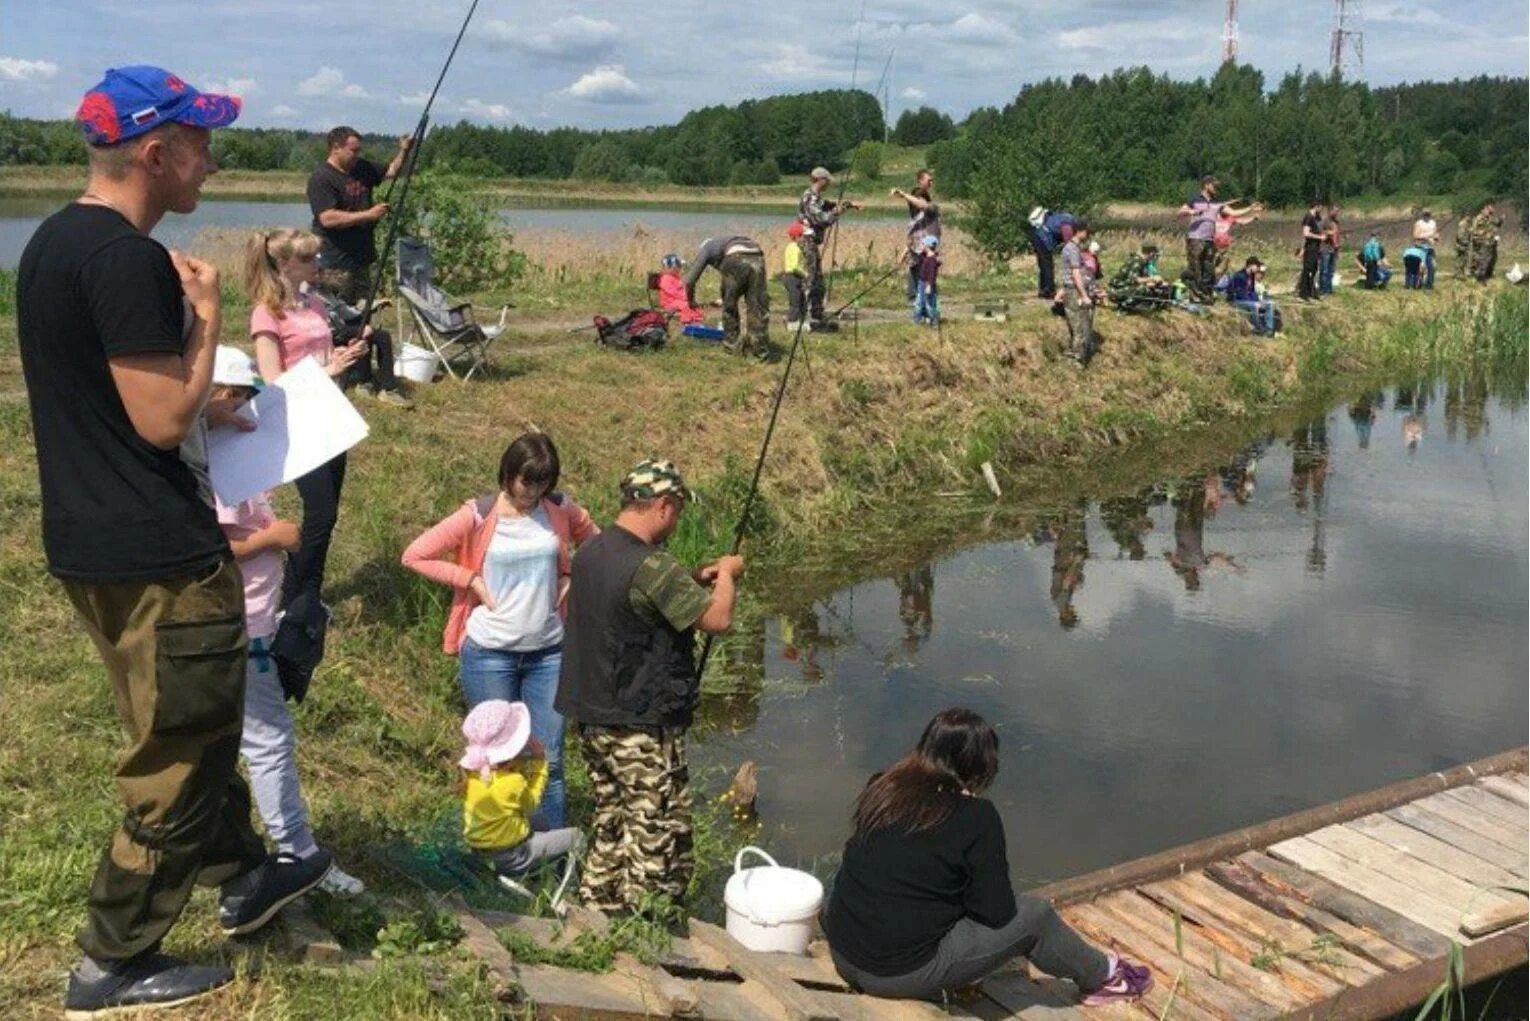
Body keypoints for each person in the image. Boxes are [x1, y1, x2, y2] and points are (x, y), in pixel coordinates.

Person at [16, 66, 322, 1016]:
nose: (212, 160)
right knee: (180, 754)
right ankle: (115, 959)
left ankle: (241, 867)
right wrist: (209, 324)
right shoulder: (127, 259)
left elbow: (115, 404)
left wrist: (208, 405)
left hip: (93, 542)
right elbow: (156, 420)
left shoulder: (52, 245)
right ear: (157, 153)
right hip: (159, 554)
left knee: (189, 723)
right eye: (201, 142)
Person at [823, 709, 1151, 1005]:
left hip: (842, 949)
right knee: (1034, 915)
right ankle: (1104, 977)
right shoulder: (976, 816)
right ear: (979, 766)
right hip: (896, 975)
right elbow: (996, 911)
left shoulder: (883, 786)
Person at [554, 459, 744, 912]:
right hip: (638, 723)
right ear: (662, 505)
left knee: (612, 821)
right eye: (677, 510)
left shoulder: (592, 553)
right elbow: (717, 619)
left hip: (593, 716)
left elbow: (637, 599)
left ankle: (597, 909)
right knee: (656, 831)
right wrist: (728, 577)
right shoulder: (651, 566)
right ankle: (647, 927)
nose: (676, 521)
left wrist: (695, 579)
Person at [208, 346, 363, 898]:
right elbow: (213, 544)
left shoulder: (229, 458)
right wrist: (275, 537)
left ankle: (223, 855)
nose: (249, 411)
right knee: (269, 741)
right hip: (241, 628)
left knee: (237, 743)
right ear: (218, 398)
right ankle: (298, 854)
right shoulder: (215, 464)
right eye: (241, 398)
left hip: (251, 622)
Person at [401, 432, 598, 829]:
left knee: (549, 758)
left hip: (548, 653)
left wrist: (571, 573)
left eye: (544, 483)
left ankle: (549, 856)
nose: (534, 492)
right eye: (527, 481)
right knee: (493, 757)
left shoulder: (559, 510)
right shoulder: (477, 515)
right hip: (489, 654)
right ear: (508, 475)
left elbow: (596, 544)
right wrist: (469, 579)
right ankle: (500, 847)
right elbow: (415, 554)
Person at [244, 228, 368, 609]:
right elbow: (272, 381)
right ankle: (288, 600)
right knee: (320, 511)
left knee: (328, 517)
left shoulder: (314, 304)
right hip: (296, 423)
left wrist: (346, 355)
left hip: (330, 413)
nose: (318, 263)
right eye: (309, 258)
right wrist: (326, 373)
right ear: (284, 264)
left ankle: (310, 596)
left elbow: (323, 357)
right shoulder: (266, 313)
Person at [307, 126, 413, 398]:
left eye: (359, 150)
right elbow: (327, 218)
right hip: (334, 261)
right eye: (353, 150)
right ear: (336, 147)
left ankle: (364, 375)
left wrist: (403, 150)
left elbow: (390, 172)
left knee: (364, 317)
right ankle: (339, 369)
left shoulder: (362, 168)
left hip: (362, 260)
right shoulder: (322, 178)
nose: (357, 155)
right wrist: (368, 215)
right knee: (338, 321)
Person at [460, 700, 584, 884]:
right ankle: (572, 890)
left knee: (539, 821)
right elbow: (532, 802)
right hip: (514, 858)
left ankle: (535, 879)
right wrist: (540, 763)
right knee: (577, 837)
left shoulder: (471, 775)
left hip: (481, 854)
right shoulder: (513, 781)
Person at [683, 235, 775, 361]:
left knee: (729, 307)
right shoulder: (724, 242)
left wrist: (691, 300)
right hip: (757, 256)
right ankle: (759, 352)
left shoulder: (707, 248)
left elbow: (689, 280)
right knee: (757, 307)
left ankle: (732, 348)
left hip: (735, 257)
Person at [798, 167, 861, 330]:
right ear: (820, 180)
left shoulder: (817, 197)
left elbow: (828, 205)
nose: (829, 184)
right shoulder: (809, 197)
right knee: (810, 279)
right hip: (807, 241)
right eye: (827, 181)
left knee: (818, 280)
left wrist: (848, 205)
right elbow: (821, 219)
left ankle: (817, 313)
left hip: (812, 242)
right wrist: (837, 212)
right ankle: (800, 315)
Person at [891, 169, 940, 302]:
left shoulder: (929, 205)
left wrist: (903, 194)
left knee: (923, 271)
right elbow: (920, 206)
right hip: (918, 244)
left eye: (931, 180)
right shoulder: (917, 205)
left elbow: (922, 206)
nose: (931, 182)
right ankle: (916, 299)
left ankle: (923, 299)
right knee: (916, 269)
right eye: (928, 180)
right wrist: (905, 251)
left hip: (925, 244)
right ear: (920, 181)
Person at [1177, 174, 1223, 300]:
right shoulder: (1195, 199)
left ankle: (1205, 294)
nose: (1216, 189)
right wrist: (1191, 211)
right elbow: (1180, 212)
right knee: (1195, 267)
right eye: (1214, 186)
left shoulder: (1216, 202)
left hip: (1209, 240)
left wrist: (1250, 210)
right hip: (1195, 238)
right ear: (1206, 185)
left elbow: (1233, 212)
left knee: (1208, 268)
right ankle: (1193, 291)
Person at [1059, 220, 1098, 365]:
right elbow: (1075, 274)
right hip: (1074, 292)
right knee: (1079, 326)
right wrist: (1084, 295)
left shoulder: (1072, 248)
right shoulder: (1073, 249)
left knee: (1077, 325)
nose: (1088, 235)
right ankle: (1077, 360)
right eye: (1087, 232)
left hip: (1072, 290)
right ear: (1079, 231)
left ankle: (1075, 355)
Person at [1027, 206, 1077, 300]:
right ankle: (1049, 291)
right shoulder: (1068, 224)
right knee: (1047, 265)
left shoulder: (1061, 218)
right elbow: (1069, 244)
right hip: (1042, 237)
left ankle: (1043, 290)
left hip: (1036, 234)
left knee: (1043, 265)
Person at [1107, 243, 1175, 312]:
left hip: (1123, 288)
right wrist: (1153, 279)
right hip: (1115, 291)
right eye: (1154, 254)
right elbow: (1135, 280)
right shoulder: (1137, 261)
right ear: (1151, 253)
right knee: (1144, 289)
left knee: (1153, 287)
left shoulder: (1142, 261)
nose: (1155, 256)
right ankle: (1124, 307)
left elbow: (1141, 279)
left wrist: (1156, 282)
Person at [1227, 256, 1278, 336]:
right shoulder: (1239, 276)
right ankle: (1259, 329)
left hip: (1248, 301)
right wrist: (1254, 302)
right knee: (1254, 305)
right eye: (1256, 266)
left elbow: (1252, 292)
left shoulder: (1251, 276)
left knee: (1269, 304)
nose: (1257, 268)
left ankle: (1269, 329)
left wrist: (1258, 301)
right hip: (1236, 301)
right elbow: (1240, 295)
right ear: (1250, 266)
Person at [656, 253, 703, 324]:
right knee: (685, 305)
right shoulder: (665, 279)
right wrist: (685, 297)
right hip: (669, 302)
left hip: (677, 300)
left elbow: (682, 288)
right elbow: (674, 292)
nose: (680, 268)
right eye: (678, 266)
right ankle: (686, 321)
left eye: (680, 266)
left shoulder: (676, 277)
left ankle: (696, 317)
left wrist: (688, 295)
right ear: (669, 267)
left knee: (692, 304)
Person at [1465, 202, 1502, 282]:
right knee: (1482, 260)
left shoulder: (1489, 218)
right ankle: (1480, 278)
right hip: (1481, 242)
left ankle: (1486, 275)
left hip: (1489, 242)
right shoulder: (1478, 218)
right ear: (1483, 209)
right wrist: (1483, 233)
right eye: (1488, 210)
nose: (1489, 212)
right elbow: (1473, 231)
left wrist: (1501, 220)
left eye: (1490, 211)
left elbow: (1496, 224)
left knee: (1489, 259)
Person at [1297, 199, 1326, 301]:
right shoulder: (1308, 217)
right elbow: (1305, 233)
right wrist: (1319, 237)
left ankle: (1310, 292)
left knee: (1313, 270)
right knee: (1307, 269)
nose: (1321, 209)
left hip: (1315, 248)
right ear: (1316, 206)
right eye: (1321, 207)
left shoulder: (1314, 218)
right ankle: (1303, 293)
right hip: (1310, 248)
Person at [782, 222, 808, 329]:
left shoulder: (790, 246)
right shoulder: (795, 249)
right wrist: (806, 274)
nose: (804, 238)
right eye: (802, 236)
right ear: (797, 236)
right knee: (795, 301)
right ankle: (791, 322)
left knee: (802, 300)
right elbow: (795, 267)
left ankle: (801, 321)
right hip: (793, 277)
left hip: (791, 277)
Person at [912, 235, 941, 326]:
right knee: (919, 302)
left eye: (923, 244)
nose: (921, 245)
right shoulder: (925, 256)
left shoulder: (931, 259)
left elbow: (931, 275)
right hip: (921, 283)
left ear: (927, 246)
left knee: (929, 304)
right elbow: (919, 259)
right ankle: (917, 321)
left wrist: (929, 285)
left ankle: (934, 322)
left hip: (927, 284)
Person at [1412, 208, 1439, 289]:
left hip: (1430, 248)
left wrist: (1436, 238)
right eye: (1425, 213)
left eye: (1428, 213)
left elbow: (1436, 233)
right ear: (1422, 214)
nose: (1427, 215)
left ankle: (1429, 285)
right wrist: (1426, 237)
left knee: (1433, 266)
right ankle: (1418, 284)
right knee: (1421, 268)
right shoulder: (1418, 223)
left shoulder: (1433, 223)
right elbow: (1415, 236)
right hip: (1420, 247)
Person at [1319, 205, 1342, 296]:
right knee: (1324, 270)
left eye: (1338, 211)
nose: (1337, 213)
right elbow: (1319, 232)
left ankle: (1329, 289)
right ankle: (1323, 290)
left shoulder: (1337, 222)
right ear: (1330, 211)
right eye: (1335, 211)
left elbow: (1337, 235)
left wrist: (1339, 247)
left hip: (1334, 249)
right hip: (1325, 248)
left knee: (1331, 270)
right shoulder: (1324, 221)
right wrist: (1328, 232)